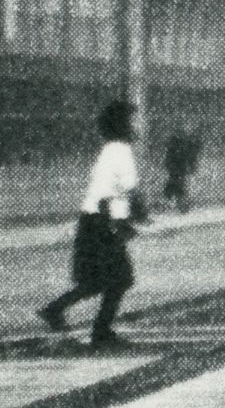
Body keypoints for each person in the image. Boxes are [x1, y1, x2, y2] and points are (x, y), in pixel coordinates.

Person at [40, 100, 141, 347]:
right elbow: (122, 190)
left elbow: (113, 190)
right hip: (101, 219)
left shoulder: (112, 149)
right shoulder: (120, 151)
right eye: (133, 120)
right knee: (120, 279)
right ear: (124, 124)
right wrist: (120, 222)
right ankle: (100, 332)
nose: (137, 125)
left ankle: (55, 310)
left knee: (97, 280)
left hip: (94, 219)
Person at [160, 124, 197, 213]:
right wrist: (190, 166)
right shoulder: (182, 142)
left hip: (177, 167)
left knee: (176, 185)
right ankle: (178, 204)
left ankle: (171, 202)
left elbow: (170, 156)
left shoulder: (178, 143)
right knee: (178, 185)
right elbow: (187, 156)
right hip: (178, 167)